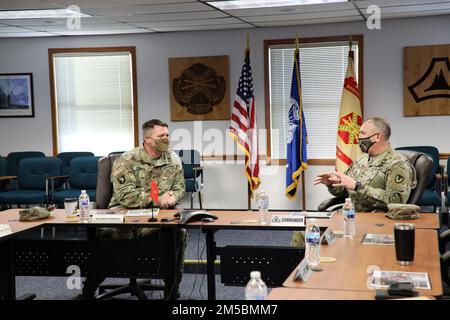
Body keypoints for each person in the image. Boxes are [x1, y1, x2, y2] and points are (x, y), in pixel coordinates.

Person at [80, 119, 186, 299]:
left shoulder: (173, 159)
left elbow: (179, 188)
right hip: (124, 213)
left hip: (157, 215)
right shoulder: (127, 159)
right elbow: (126, 196)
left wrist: (173, 197)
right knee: (111, 236)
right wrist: (157, 199)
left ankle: (171, 288)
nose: (166, 139)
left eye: (167, 135)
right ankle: (89, 288)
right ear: (148, 140)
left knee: (176, 232)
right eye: (161, 136)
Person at [291, 117, 416, 247]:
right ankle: (304, 266)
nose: (358, 137)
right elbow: (343, 192)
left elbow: (397, 201)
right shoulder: (361, 160)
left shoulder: (397, 164)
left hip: (373, 221)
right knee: (303, 230)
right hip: (349, 216)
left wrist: (357, 186)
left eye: (362, 133)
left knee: (322, 240)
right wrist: (332, 183)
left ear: (377, 137)